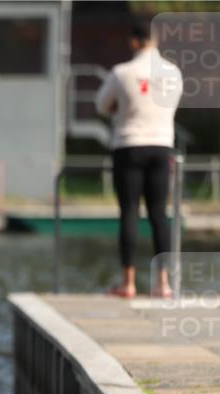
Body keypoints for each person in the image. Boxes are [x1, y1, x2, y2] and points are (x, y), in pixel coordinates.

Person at [95, 16, 183, 298]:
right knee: (160, 213)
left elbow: (101, 105)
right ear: (156, 41)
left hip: (129, 146)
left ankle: (129, 283)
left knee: (129, 213)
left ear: (134, 41)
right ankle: (163, 283)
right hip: (161, 145)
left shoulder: (122, 72)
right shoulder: (173, 72)